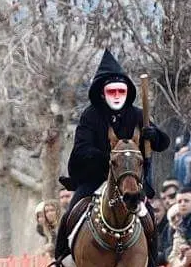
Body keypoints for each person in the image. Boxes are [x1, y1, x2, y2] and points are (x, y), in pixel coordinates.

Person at [54, 49, 170, 266]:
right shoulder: (90, 115)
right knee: (70, 213)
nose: (117, 95)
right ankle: (60, 258)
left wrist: (154, 135)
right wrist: (110, 158)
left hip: (131, 181)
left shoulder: (137, 115)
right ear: (102, 93)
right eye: (112, 91)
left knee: (149, 216)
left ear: (127, 93)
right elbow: (80, 150)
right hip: (95, 179)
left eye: (121, 91)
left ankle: (153, 260)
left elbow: (163, 144)